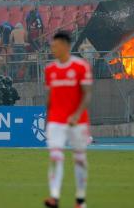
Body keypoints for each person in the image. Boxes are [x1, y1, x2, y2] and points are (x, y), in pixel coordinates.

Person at [43, 31, 93, 208]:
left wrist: (77, 114)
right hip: (56, 119)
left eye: (55, 45)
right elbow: (50, 97)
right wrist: (48, 119)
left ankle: (80, 199)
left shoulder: (81, 66)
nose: (52, 49)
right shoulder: (49, 69)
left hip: (77, 120)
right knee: (56, 156)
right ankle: (54, 197)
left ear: (65, 45)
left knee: (79, 158)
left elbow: (87, 95)